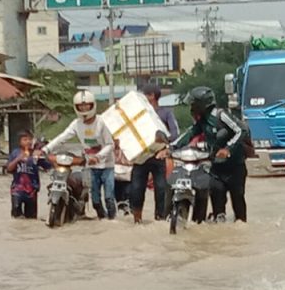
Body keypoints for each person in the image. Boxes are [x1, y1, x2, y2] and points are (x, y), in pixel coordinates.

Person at [172, 86, 247, 223]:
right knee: (218, 203)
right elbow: (190, 133)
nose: (191, 107)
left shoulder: (221, 115)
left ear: (202, 104)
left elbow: (241, 130)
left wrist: (228, 149)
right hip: (216, 169)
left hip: (235, 167)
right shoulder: (202, 121)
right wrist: (172, 147)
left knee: (238, 203)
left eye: (194, 104)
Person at [44, 90, 117, 220]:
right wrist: (46, 149)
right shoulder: (76, 124)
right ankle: (102, 219)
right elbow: (62, 137)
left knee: (109, 197)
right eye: (81, 106)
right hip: (90, 167)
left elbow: (110, 144)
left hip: (107, 166)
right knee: (95, 200)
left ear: (92, 105)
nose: (84, 108)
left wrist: (98, 157)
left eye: (86, 105)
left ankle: (112, 220)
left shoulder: (101, 122)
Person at [128, 84, 180, 223]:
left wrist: (164, 140)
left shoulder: (165, 113)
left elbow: (175, 134)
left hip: (158, 156)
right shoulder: (137, 114)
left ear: (151, 96)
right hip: (140, 157)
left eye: (144, 95)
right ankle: (137, 219)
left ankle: (160, 218)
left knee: (161, 188)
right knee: (136, 189)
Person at [6, 129, 51, 219]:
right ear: (20, 142)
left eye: (30, 139)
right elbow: (8, 168)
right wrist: (18, 159)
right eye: (25, 140)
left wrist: (43, 155)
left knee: (31, 218)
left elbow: (48, 166)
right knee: (16, 216)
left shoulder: (35, 154)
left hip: (32, 191)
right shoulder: (15, 153)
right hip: (17, 190)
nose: (28, 142)